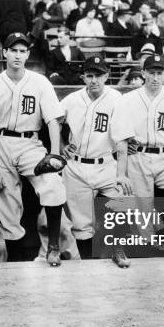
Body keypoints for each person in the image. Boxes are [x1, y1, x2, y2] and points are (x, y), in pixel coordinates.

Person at [0, 32, 67, 266]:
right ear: (4, 52)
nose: (18, 55)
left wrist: (55, 153)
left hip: (30, 143)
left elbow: (52, 120)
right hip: (0, 142)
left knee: (53, 184)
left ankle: (54, 248)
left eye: (22, 51)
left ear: (28, 54)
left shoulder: (40, 82)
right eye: (13, 50)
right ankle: (15, 262)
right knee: (7, 207)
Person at [113, 55, 164, 263]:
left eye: (160, 73)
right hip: (138, 156)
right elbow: (121, 137)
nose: (155, 77)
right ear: (143, 73)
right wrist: (121, 169)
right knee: (140, 214)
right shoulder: (128, 100)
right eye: (151, 72)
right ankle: (136, 248)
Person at [59, 56, 132, 266]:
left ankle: (118, 251)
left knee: (121, 204)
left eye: (99, 75)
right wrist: (62, 144)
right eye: (90, 75)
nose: (94, 80)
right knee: (82, 226)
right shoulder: (72, 99)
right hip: (76, 165)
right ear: (83, 77)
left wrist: (121, 174)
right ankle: (86, 263)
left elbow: (122, 142)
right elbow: (53, 119)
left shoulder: (116, 98)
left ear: (107, 76)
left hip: (106, 164)